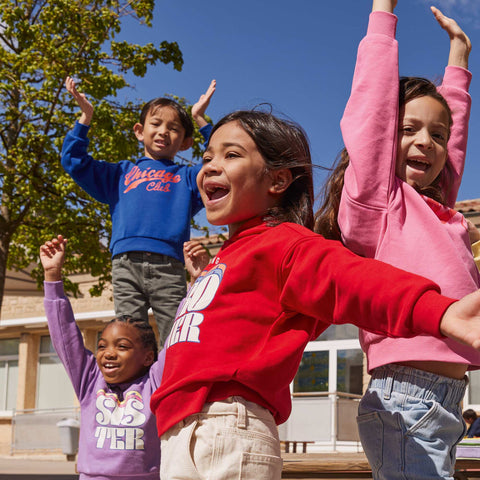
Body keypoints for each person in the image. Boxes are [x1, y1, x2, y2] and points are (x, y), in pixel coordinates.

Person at [149, 109, 480, 480]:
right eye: (207, 156)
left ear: (277, 179)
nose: (209, 166)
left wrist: (441, 312)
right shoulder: (227, 257)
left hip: (226, 426)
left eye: (231, 154)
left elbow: (354, 281)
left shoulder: (285, 245)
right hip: (181, 431)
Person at [315, 1, 479, 478]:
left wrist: (459, 59)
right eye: (408, 129)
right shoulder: (379, 202)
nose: (425, 141)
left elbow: (456, 140)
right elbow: (372, 109)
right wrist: (383, 11)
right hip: (407, 398)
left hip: (445, 397)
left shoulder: (438, 207)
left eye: (436, 134)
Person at [61, 78, 216, 346]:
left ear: (186, 143)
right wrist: (85, 118)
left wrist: (200, 119)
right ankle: (134, 389)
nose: (163, 131)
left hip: (170, 267)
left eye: (174, 128)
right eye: (155, 124)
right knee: (128, 339)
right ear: (139, 131)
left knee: (177, 338)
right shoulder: (120, 174)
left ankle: (172, 386)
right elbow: (74, 162)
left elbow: (218, 163)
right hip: (125, 266)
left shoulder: (189, 179)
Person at [40, 235, 165, 480]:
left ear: (148, 357)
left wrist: (195, 286)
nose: (108, 352)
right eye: (102, 345)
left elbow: (180, 342)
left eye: (122, 346)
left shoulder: (155, 382)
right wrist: (52, 276)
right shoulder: (89, 380)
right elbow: (64, 333)